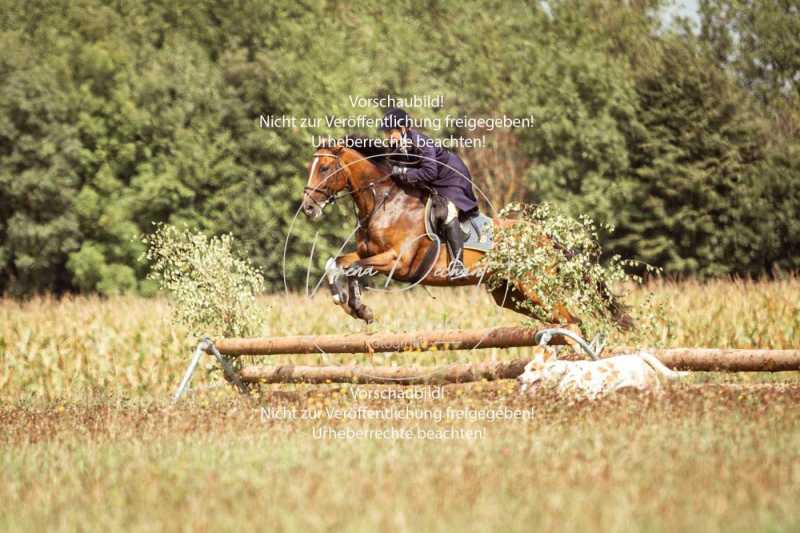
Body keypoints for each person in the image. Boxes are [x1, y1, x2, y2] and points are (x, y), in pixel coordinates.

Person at [378, 107, 479, 279]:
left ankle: (458, 264)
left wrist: (403, 172)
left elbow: (429, 172)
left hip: (452, 178)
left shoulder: (421, 142)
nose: (387, 136)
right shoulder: (396, 145)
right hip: (432, 181)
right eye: (386, 133)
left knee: (447, 212)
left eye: (390, 132)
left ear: (403, 129)